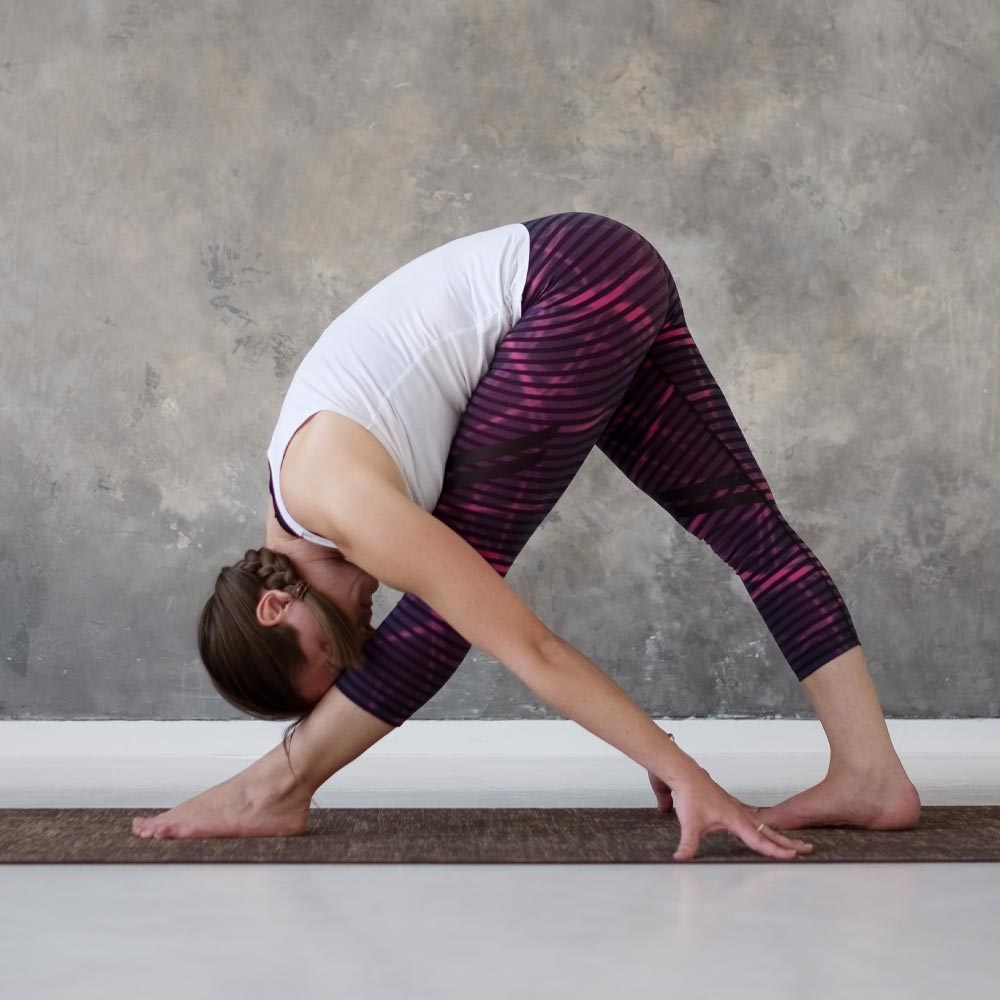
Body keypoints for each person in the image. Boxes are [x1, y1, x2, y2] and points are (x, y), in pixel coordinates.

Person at [132, 212, 920, 860]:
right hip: (603, 263)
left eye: (336, 644)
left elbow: (528, 647)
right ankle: (872, 774)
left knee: (452, 601)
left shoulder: (339, 501)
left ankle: (275, 788)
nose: (363, 635)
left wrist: (681, 771)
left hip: (566, 286)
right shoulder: (312, 502)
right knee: (748, 529)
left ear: (275, 605)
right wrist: (657, 751)